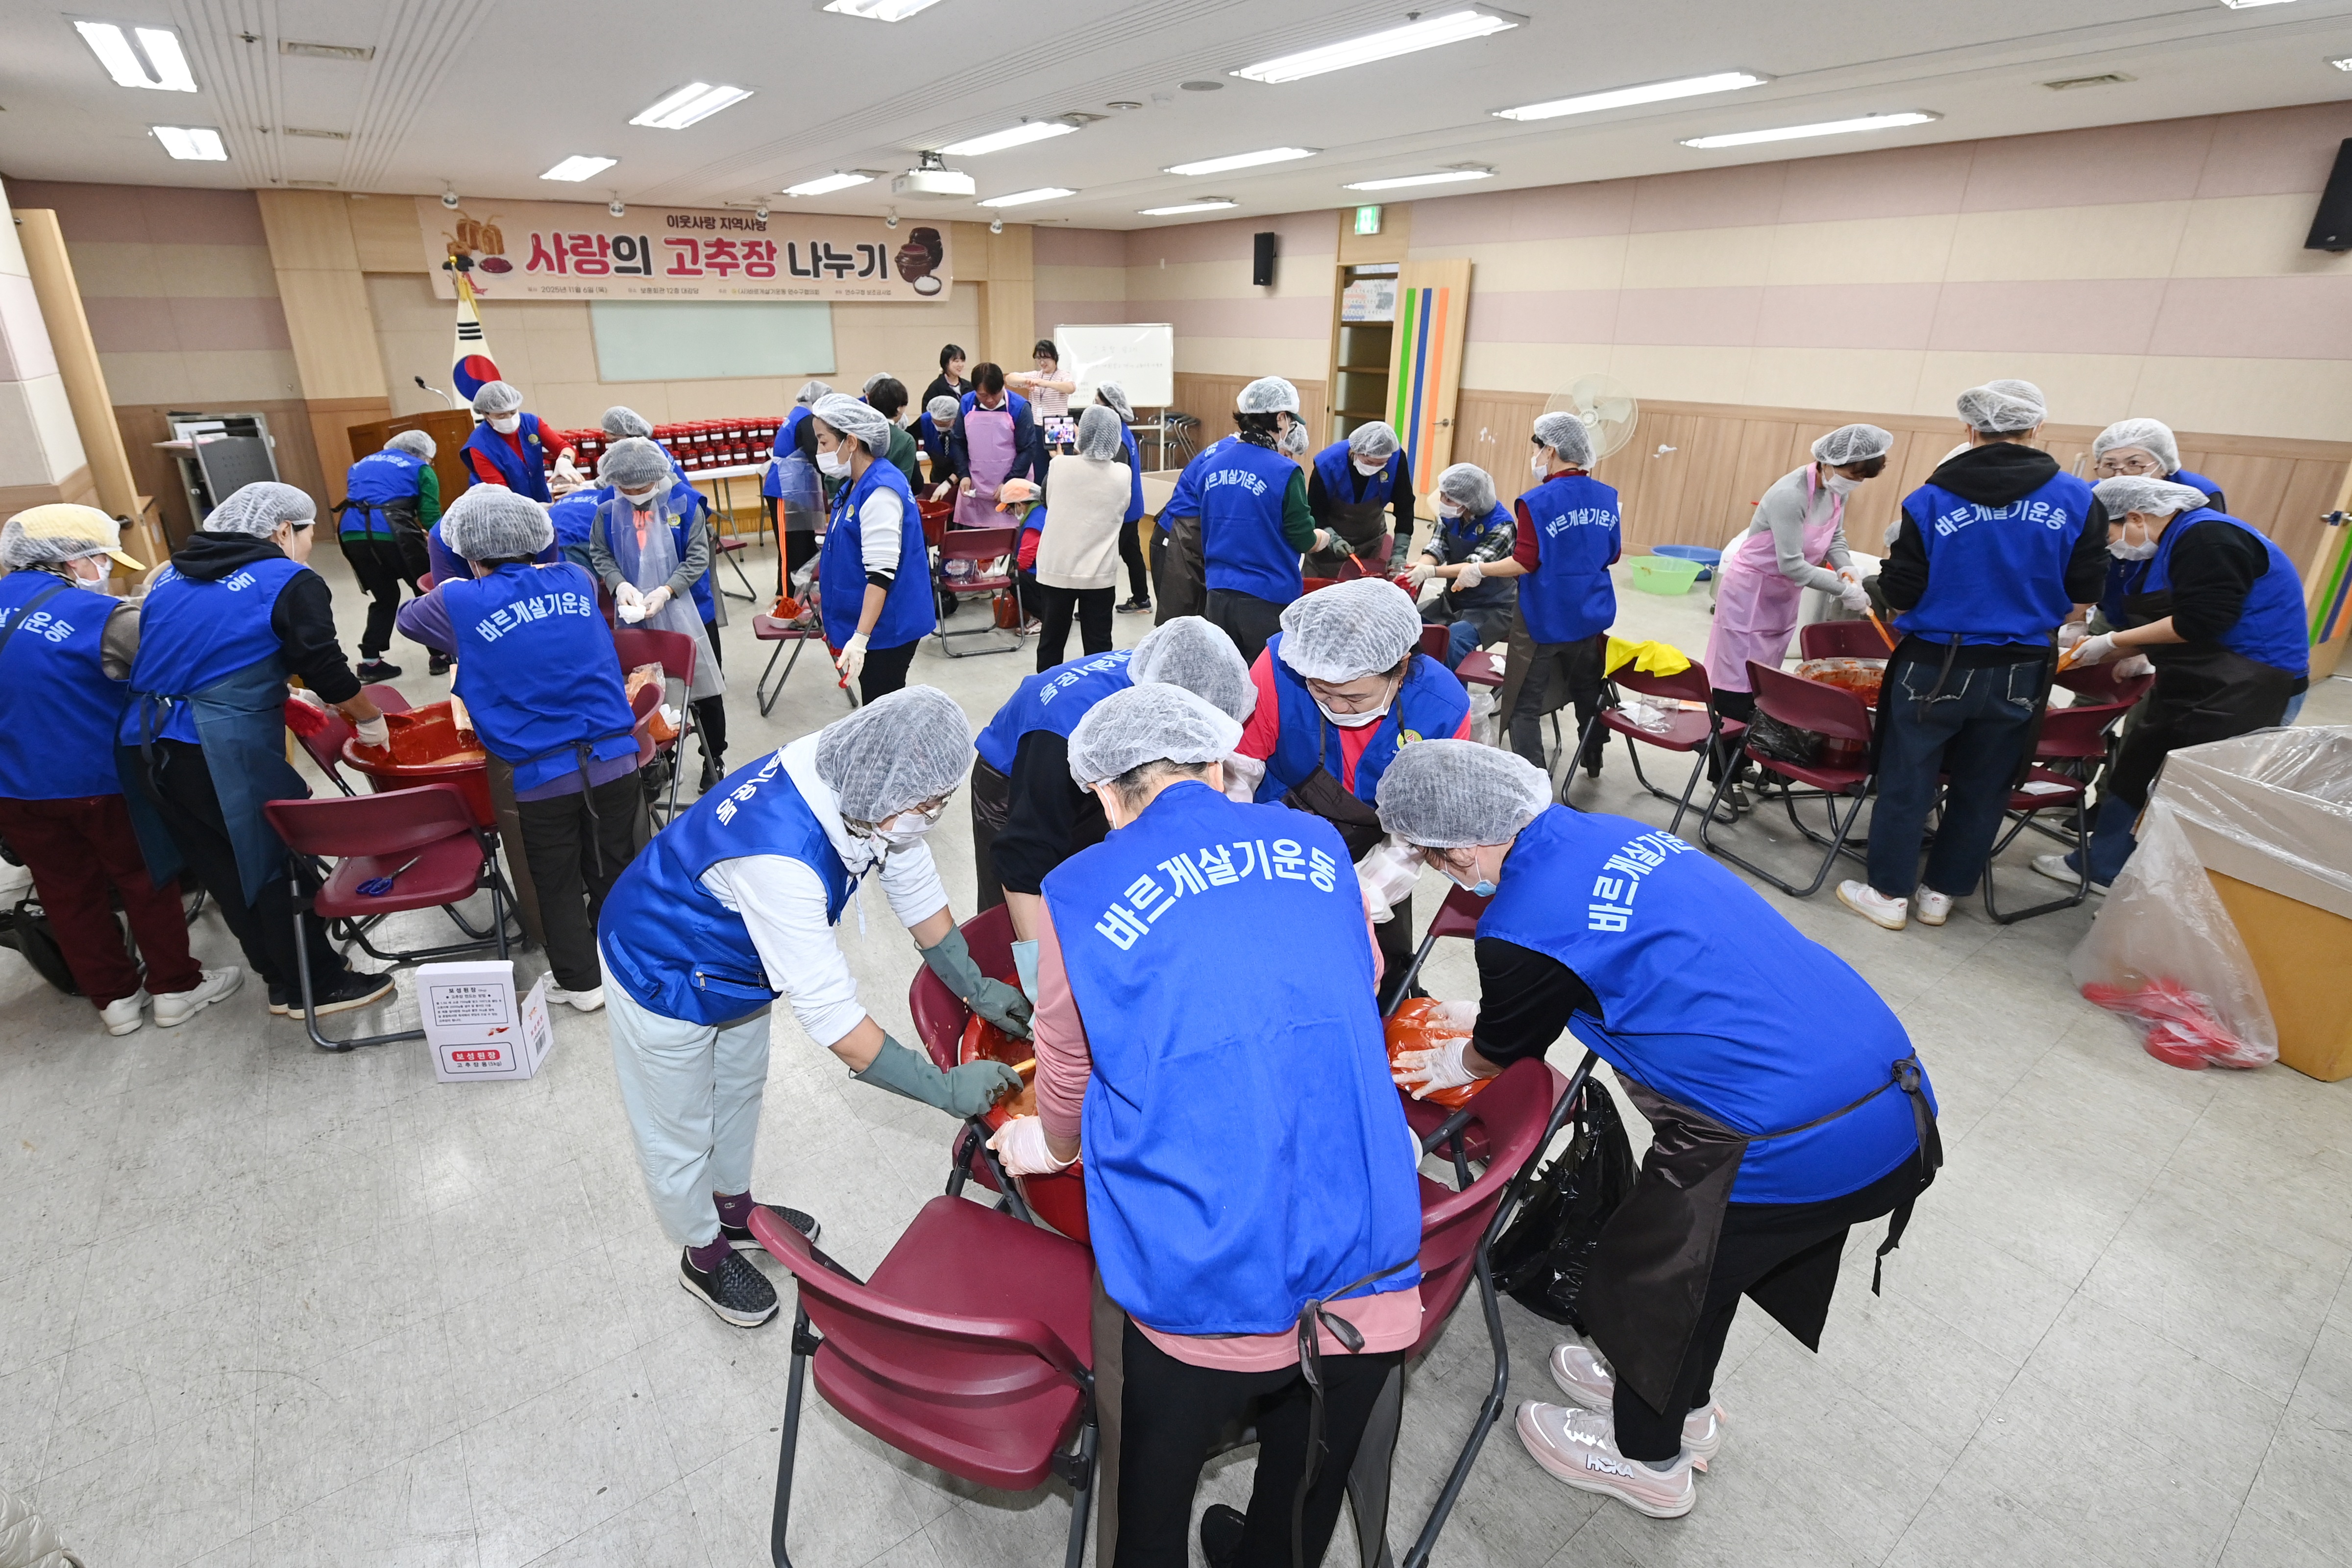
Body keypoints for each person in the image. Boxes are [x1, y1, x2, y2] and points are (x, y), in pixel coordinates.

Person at [1374, 741, 1938, 1521]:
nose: (1444, 873)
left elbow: (1502, 1047)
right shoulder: (1612, 835)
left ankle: (1649, 1459)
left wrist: (1460, 1055)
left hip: (1796, 1137)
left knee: (1660, 1282)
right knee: (1711, 1276)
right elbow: (1610, 968)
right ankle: (1685, 1407)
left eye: (1436, 859)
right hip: (1882, 1082)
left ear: (1463, 845)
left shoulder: (1521, 926)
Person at [987, 682, 1422, 1568]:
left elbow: (1067, 1064)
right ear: (1221, 765)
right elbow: (1361, 977)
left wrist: (1051, 1144)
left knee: (1153, 1501)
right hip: (1366, 1251)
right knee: (1304, 1486)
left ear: (1105, 794)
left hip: (1204, 1277)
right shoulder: (1316, 843)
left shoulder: (1078, 889)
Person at [598, 687, 1030, 1326]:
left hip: (738, 965)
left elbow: (909, 875)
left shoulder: (854, 775)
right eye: (930, 803)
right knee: (679, 1126)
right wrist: (944, 1090)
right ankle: (702, 1250)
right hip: (659, 965)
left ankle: (732, 1206)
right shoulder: (784, 859)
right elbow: (836, 1022)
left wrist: (974, 983)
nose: (934, 814)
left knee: (741, 1087)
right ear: (889, 796)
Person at [115, 482, 395, 1019]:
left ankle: (281, 980)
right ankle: (321, 983)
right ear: (282, 529)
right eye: (311, 533)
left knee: (223, 867)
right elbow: (328, 668)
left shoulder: (172, 575)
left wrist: (278, 691)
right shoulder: (287, 579)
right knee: (275, 864)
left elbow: (186, 653)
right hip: (217, 748)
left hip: (145, 741)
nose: (312, 545)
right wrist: (369, 720)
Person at [1840, 379, 2104, 931]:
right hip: (2023, 664)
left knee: (1908, 778)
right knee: (1987, 783)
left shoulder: (1930, 499)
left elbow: (1906, 592)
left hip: (1936, 661)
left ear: (1969, 429)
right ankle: (1941, 893)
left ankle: (1888, 893)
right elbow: (2086, 586)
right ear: (2035, 428)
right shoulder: (2079, 498)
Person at [396, 487, 643, 1012]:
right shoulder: (576, 578)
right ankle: (629, 968)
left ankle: (582, 985)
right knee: (616, 866)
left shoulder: (457, 599)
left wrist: (459, 576)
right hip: (614, 757)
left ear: (468, 551)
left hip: (538, 773)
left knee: (554, 880)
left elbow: (408, 618)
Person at [0, 506, 240, 1035]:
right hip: (102, 780)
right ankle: (177, 987)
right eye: (101, 558)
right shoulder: (104, 617)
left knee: (65, 891)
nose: (104, 570)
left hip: (14, 788)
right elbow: (179, 668)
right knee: (144, 878)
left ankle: (115, 1000)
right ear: (73, 560)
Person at [2034, 475, 2309, 894]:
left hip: (2252, 684)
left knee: (2193, 796)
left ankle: (2162, 897)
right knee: (2136, 767)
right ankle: (2101, 867)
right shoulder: (2145, 552)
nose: (2108, 546)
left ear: (2136, 517)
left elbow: (2203, 620)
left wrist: (2116, 642)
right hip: (2190, 676)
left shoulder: (2210, 539)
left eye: (2106, 535)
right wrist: (2099, 645)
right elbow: (2136, 614)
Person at [1237, 578, 1470, 1008]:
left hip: (1377, 852)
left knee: (1369, 979)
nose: (1335, 706)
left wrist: (1361, 900)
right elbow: (1237, 774)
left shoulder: (1443, 710)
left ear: (1400, 667)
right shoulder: (1280, 665)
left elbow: (1411, 839)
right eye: (1321, 691)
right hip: (1272, 839)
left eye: (1354, 697)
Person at [970, 616, 1256, 939]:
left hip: (1102, 763)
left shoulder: (1172, 670)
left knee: (1092, 881)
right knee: (1017, 905)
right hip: (1014, 773)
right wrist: (1038, 974)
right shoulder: (1064, 733)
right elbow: (1021, 862)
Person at [1701, 425, 1889, 818]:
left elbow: (1835, 539)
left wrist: (1848, 569)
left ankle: (1747, 761)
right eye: (1853, 475)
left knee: (1764, 688)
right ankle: (1723, 778)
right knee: (1735, 689)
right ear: (1831, 461)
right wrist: (1844, 590)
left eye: (1861, 479)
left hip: (1780, 598)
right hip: (1749, 597)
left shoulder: (1833, 491)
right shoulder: (1790, 495)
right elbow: (1792, 565)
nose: (1855, 484)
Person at [1473, 413, 1620, 779]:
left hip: (1545, 617)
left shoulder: (1536, 502)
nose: (1535, 456)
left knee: (1525, 701)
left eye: (1536, 449)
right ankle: (1593, 758)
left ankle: (1534, 782)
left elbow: (1524, 562)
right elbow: (1613, 553)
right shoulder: (1607, 497)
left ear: (1551, 450)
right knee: (1588, 689)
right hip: (1590, 614)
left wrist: (1479, 569)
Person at [1159, 377, 1337, 664]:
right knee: (1265, 680)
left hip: (1217, 594)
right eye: (1290, 420)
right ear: (1281, 418)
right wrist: (1322, 538)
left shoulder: (1211, 465)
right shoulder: (1286, 471)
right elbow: (1301, 538)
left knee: (1226, 675)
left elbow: (1209, 527)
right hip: (1267, 599)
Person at [588, 438, 731, 793]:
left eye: (642, 487)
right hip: (637, 616)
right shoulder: (607, 507)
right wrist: (619, 584)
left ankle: (714, 757)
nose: (634, 494)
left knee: (704, 691)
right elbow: (600, 552)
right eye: (626, 488)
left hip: (691, 612)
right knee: (645, 688)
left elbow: (698, 557)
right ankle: (659, 757)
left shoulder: (685, 502)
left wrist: (668, 590)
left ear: (658, 476)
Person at [814, 392, 937, 702]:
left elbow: (881, 574)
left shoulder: (880, 490)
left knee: (882, 711)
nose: (819, 451)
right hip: (869, 623)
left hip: (886, 629)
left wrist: (860, 638)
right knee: (879, 712)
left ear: (852, 442)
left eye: (824, 442)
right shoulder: (854, 485)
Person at [2086, 418, 2226, 635]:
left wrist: (2141, 647)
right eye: (2110, 465)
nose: (2120, 474)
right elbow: (2085, 556)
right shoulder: (2095, 494)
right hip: (2111, 599)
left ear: (2163, 464)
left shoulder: (2199, 493)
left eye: (2134, 464)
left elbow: (2200, 564)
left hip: (2167, 610)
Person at [1030, 406, 1133, 669]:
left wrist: (1065, 456)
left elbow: (1048, 500)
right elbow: (1122, 508)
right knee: (1099, 647)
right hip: (1099, 574)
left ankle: (1046, 697)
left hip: (1057, 569)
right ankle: (1097, 699)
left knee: (1051, 643)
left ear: (1082, 433)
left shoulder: (1059, 466)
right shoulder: (1123, 474)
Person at [335, 429, 439, 681]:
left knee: (385, 596)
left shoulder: (360, 464)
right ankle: (440, 656)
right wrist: (442, 542)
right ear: (423, 454)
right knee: (425, 591)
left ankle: (370, 661)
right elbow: (431, 517)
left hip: (351, 529)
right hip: (393, 529)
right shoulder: (420, 468)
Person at [1406, 462, 1516, 670]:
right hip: (1453, 600)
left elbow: (1473, 566)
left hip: (1492, 608)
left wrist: (1431, 572)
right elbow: (1436, 549)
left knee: (1453, 643)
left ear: (1469, 501)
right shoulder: (1451, 516)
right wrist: (1417, 569)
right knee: (1409, 623)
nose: (1442, 502)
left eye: (1448, 498)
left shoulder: (1502, 526)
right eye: (1443, 495)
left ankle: (1450, 697)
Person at [1306, 422, 1414, 577]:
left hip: (1371, 540)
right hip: (1329, 544)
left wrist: (1399, 553)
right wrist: (1333, 540)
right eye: (1370, 463)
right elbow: (1315, 512)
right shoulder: (1328, 464)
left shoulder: (1396, 459)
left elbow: (1405, 508)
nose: (1374, 468)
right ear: (1355, 451)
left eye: (1381, 464)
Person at [948, 363, 1038, 528]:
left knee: (1010, 540)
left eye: (994, 394)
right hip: (976, 485)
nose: (990, 400)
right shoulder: (967, 404)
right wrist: (964, 474)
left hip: (1012, 485)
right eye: (983, 395)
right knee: (976, 542)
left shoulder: (1019, 407)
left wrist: (1009, 482)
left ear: (1003, 386)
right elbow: (958, 441)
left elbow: (1028, 449)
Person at [459, 381, 579, 502]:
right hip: (504, 506)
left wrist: (565, 460)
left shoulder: (531, 423)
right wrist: (529, 509)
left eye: (513, 412)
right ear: (485, 413)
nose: (509, 418)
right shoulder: (479, 446)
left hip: (540, 496)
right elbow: (502, 495)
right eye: (501, 415)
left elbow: (564, 447)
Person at [1092, 382, 1153, 615]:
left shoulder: (1115, 438)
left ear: (1110, 407)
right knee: (1132, 554)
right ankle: (1141, 598)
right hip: (1133, 506)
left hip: (1121, 510)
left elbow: (1112, 477)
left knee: (1105, 560)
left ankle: (1096, 606)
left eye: (1097, 404)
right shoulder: (1123, 431)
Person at [765, 380, 832, 587]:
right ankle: (784, 599)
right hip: (783, 490)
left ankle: (802, 597)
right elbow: (817, 455)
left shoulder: (799, 415)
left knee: (803, 546)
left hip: (796, 489)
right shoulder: (805, 420)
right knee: (789, 552)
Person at [861, 374, 924, 491]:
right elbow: (904, 482)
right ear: (900, 408)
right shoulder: (905, 440)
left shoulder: (859, 433)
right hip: (889, 499)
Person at [916, 393, 959, 494]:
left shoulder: (964, 425)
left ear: (955, 419)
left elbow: (968, 460)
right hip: (937, 475)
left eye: (944, 424)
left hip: (961, 477)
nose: (940, 427)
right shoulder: (926, 420)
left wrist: (949, 483)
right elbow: (908, 439)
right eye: (936, 423)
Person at [921, 342, 970, 411]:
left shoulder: (969, 386)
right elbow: (927, 415)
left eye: (963, 361)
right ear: (946, 363)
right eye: (956, 361)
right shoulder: (935, 389)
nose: (961, 365)